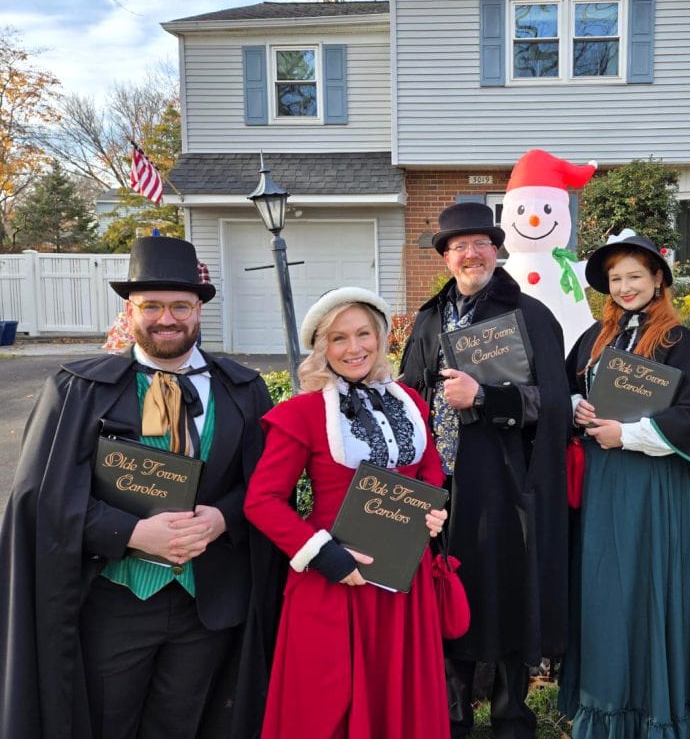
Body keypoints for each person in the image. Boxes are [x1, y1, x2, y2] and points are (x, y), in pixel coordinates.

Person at [0, 236, 281, 739]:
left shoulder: (243, 388)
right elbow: (40, 498)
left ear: (199, 311)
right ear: (130, 311)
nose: (166, 319)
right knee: (109, 724)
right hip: (114, 601)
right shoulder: (77, 390)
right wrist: (132, 533)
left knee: (183, 724)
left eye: (180, 306)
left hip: (208, 603)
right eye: (151, 305)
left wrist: (224, 518)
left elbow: (263, 485)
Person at [244, 287, 450, 738]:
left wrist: (434, 515)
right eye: (338, 338)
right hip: (336, 579)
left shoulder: (410, 403)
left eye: (363, 334)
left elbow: (431, 474)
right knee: (328, 702)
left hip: (401, 580)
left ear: (379, 338)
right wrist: (323, 554)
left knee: (396, 694)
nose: (354, 348)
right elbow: (261, 500)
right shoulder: (302, 413)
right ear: (322, 348)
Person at [400, 201, 571, 739]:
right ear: (446, 257)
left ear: (496, 250)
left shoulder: (529, 314)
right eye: (458, 246)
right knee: (449, 586)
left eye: (480, 244)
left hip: (504, 481)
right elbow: (406, 395)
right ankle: (453, 711)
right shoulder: (428, 318)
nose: (470, 254)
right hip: (440, 482)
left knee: (504, 588)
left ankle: (509, 712)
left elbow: (555, 402)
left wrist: (488, 398)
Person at [557, 229, 690, 739]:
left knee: (647, 583)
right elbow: (566, 390)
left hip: (653, 481)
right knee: (606, 581)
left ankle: (654, 704)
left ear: (658, 279)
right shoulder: (594, 338)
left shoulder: (678, 340)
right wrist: (576, 408)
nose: (626, 287)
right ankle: (605, 699)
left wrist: (626, 434)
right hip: (603, 481)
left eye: (635, 276)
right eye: (616, 279)